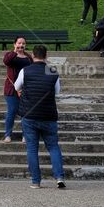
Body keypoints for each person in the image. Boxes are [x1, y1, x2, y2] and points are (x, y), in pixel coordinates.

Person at [15, 45, 66, 189]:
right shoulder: (52, 71)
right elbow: (57, 91)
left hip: (30, 115)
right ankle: (59, 177)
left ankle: (36, 181)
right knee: (53, 147)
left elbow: (16, 87)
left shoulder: (25, 71)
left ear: (32, 55)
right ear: (46, 56)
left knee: (32, 149)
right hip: (49, 115)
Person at [2, 37, 32, 142]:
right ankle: (8, 134)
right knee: (12, 111)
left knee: (25, 113)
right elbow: (6, 61)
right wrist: (15, 51)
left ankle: (25, 135)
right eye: (19, 43)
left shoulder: (28, 57)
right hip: (11, 89)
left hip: (26, 89)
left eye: (23, 43)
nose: (21, 45)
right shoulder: (10, 55)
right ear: (14, 44)